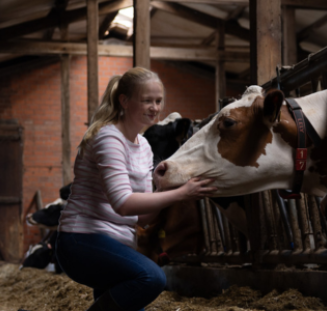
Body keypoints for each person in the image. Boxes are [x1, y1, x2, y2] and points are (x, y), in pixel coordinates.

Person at [56, 67, 217, 311]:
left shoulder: (143, 147)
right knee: (152, 278)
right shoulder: (108, 139)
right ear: (125, 101)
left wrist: (163, 190)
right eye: (147, 100)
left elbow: (142, 219)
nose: (154, 107)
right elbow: (123, 204)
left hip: (117, 246)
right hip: (82, 241)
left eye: (158, 100)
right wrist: (182, 193)